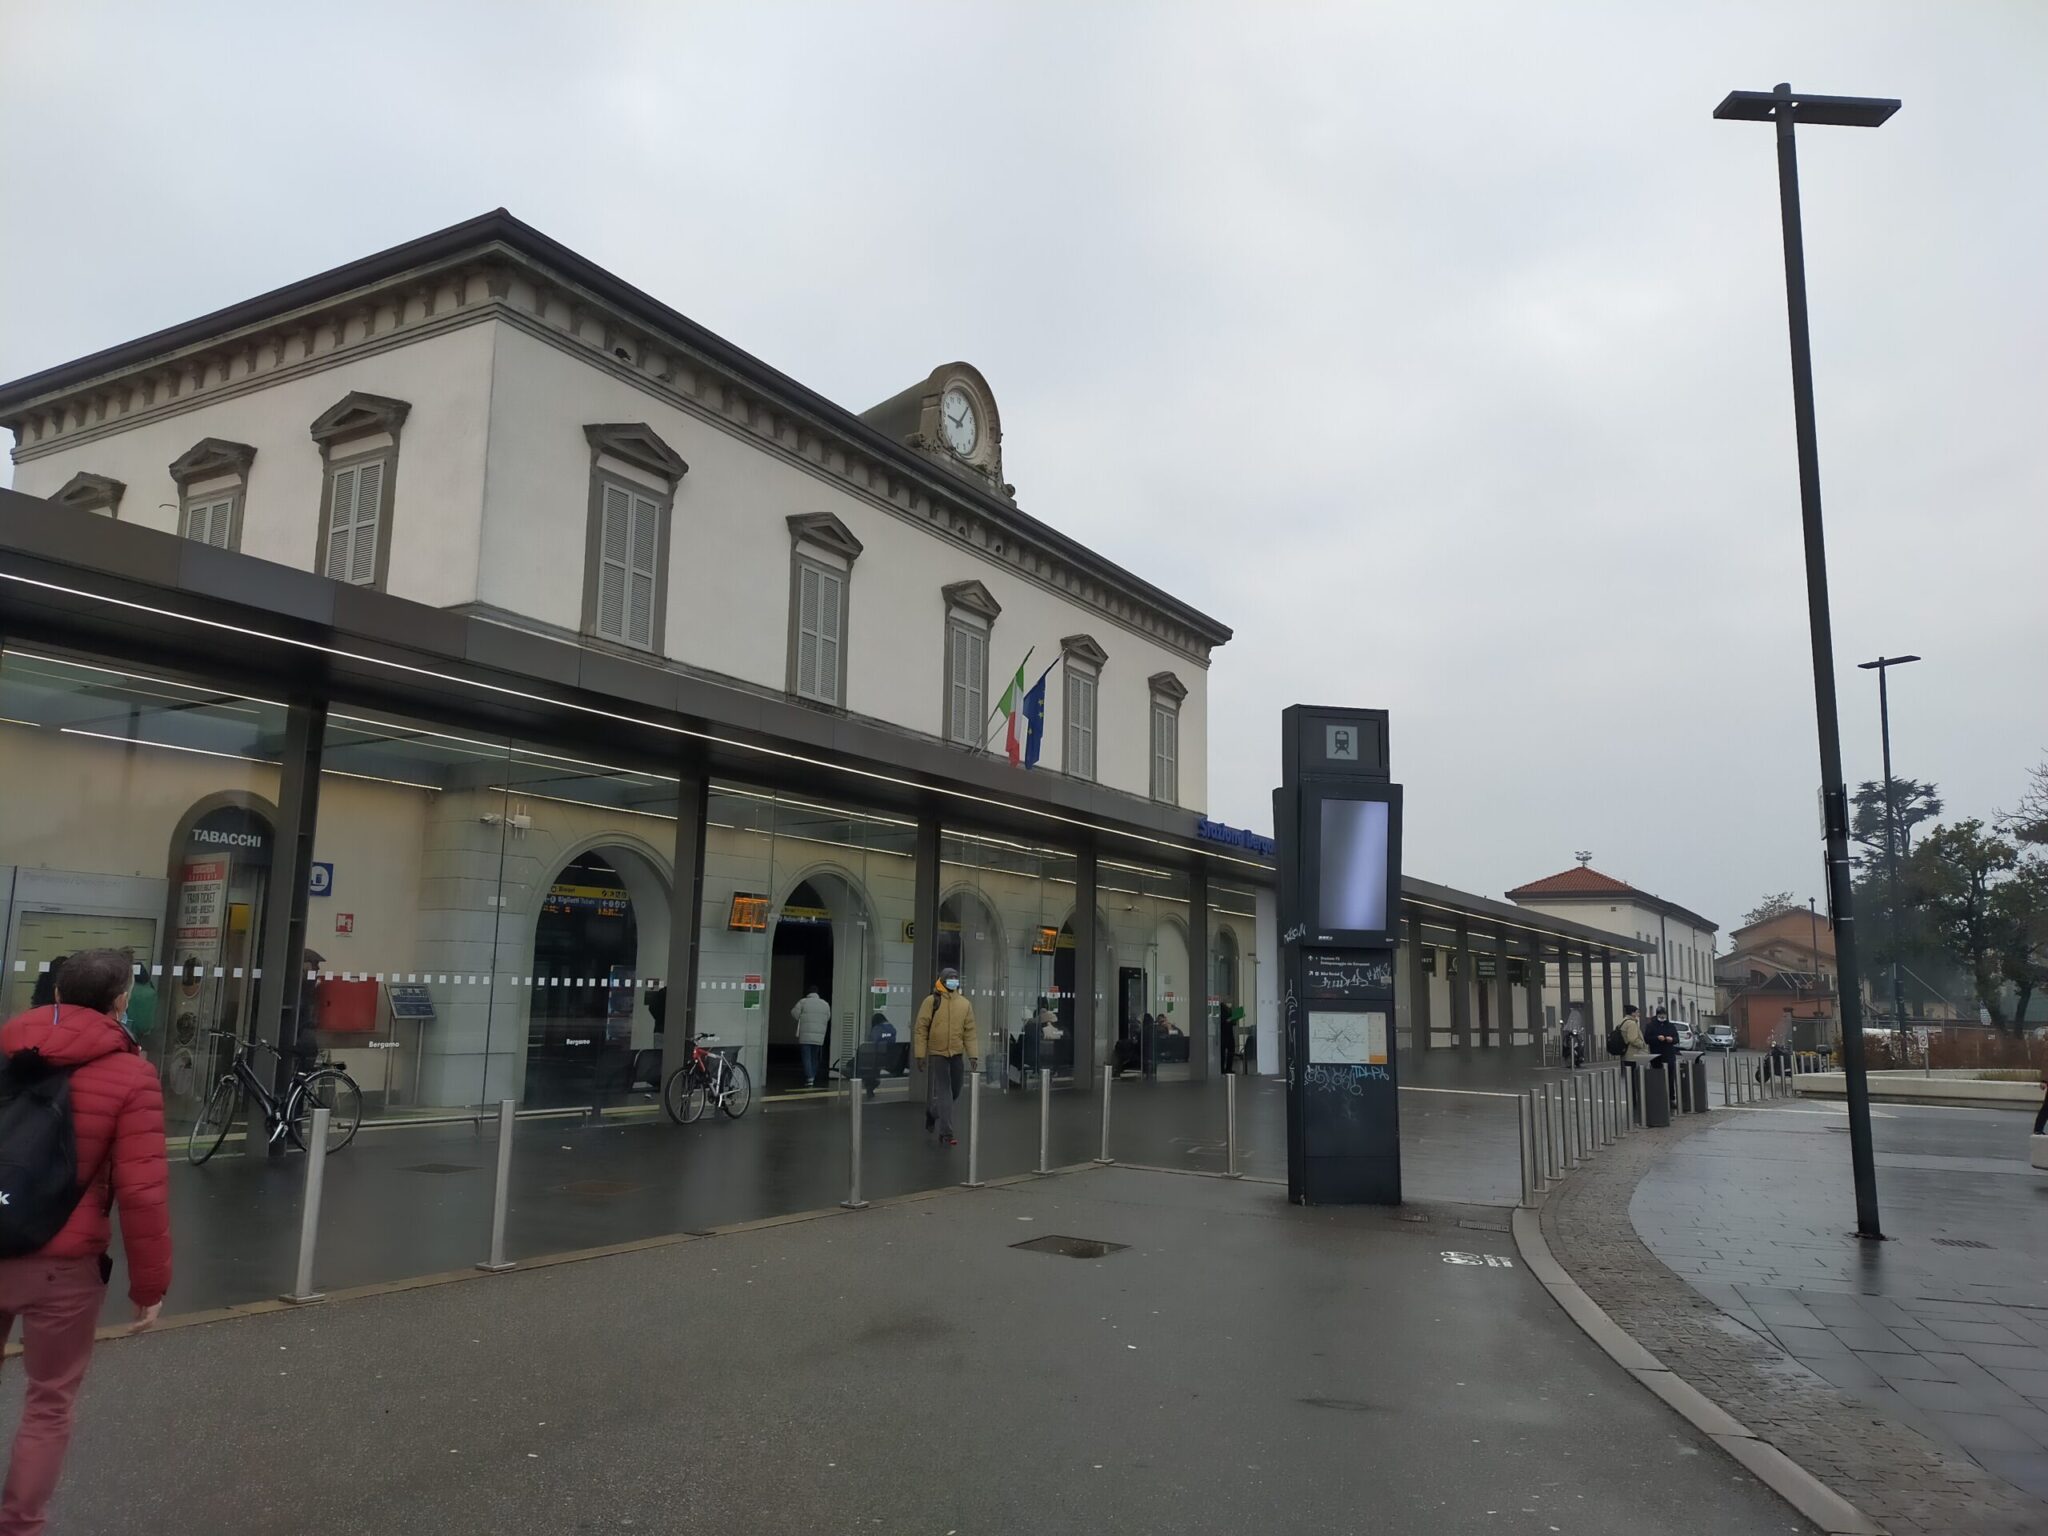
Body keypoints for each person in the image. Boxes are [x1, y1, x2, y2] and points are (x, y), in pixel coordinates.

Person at [0, 948, 171, 1534]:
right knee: (48, 1403)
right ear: (121, 1001)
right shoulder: (131, 1074)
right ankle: (19, 1525)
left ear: (54, 994)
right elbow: (143, 1191)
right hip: (64, 1267)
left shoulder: (6, 1046)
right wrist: (149, 1284)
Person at [913, 967, 978, 1147]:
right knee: (944, 1090)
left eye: (956, 978)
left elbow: (970, 1032)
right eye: (950, 978)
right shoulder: (931, 1001)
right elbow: (921, 1029)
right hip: (937, 1053)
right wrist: (920, 1054)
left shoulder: (965, 1004)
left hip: (956, 1053)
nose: (953, 981)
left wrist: (973, 1055)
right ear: (941, 980)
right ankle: (946, 1132)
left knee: (956, 1090)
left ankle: (933, 1112)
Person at [791, 987, 831, 1089]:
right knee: (814, 1057)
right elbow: (828, 1017)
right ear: (817, 993)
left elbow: (794, 1013)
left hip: (805, 1035)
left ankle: (809, 1077)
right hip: (819, 1036)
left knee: (806, 1057)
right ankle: (812, 1076)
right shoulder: (825, 1004)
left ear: (807, 993)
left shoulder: (803, 1002)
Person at [1647, 1006, 1681, 1106]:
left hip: (1669, 1054)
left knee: (1670, 1077)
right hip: (1656, 1055)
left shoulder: (1670, 1026)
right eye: (1660, 1014)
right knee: (1657, 1077)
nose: (1662, 1016)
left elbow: (1677, 1039)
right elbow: (1647, 1038)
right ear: (1657, 1015)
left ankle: (1671, 1098)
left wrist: (1672, 1039)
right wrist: (1657, 1038)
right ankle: (1658, 1097)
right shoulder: (1651, 1026)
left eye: (1664, 1014)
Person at [860, 1009, 896, 1099]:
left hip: (874, 1060)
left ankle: (870, 1084)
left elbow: (872, 1042)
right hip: (888, 1060)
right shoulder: (892, 1029)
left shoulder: (877, 1029)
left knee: (864, 1062)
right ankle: (872, 1083)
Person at [1217, 998, 1235, 1074]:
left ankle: (1228, 1068)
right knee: (1223, 1053)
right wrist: (1229, 1020)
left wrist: (1233, 1019)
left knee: (1229, 1051)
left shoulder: (1229, 1009)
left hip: (1229, 1033)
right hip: (1224, 1034)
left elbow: (1233, 1023)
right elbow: (1220, 1021)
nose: (1229, 1003)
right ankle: (1223, 1069)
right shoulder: (1220, 1009)